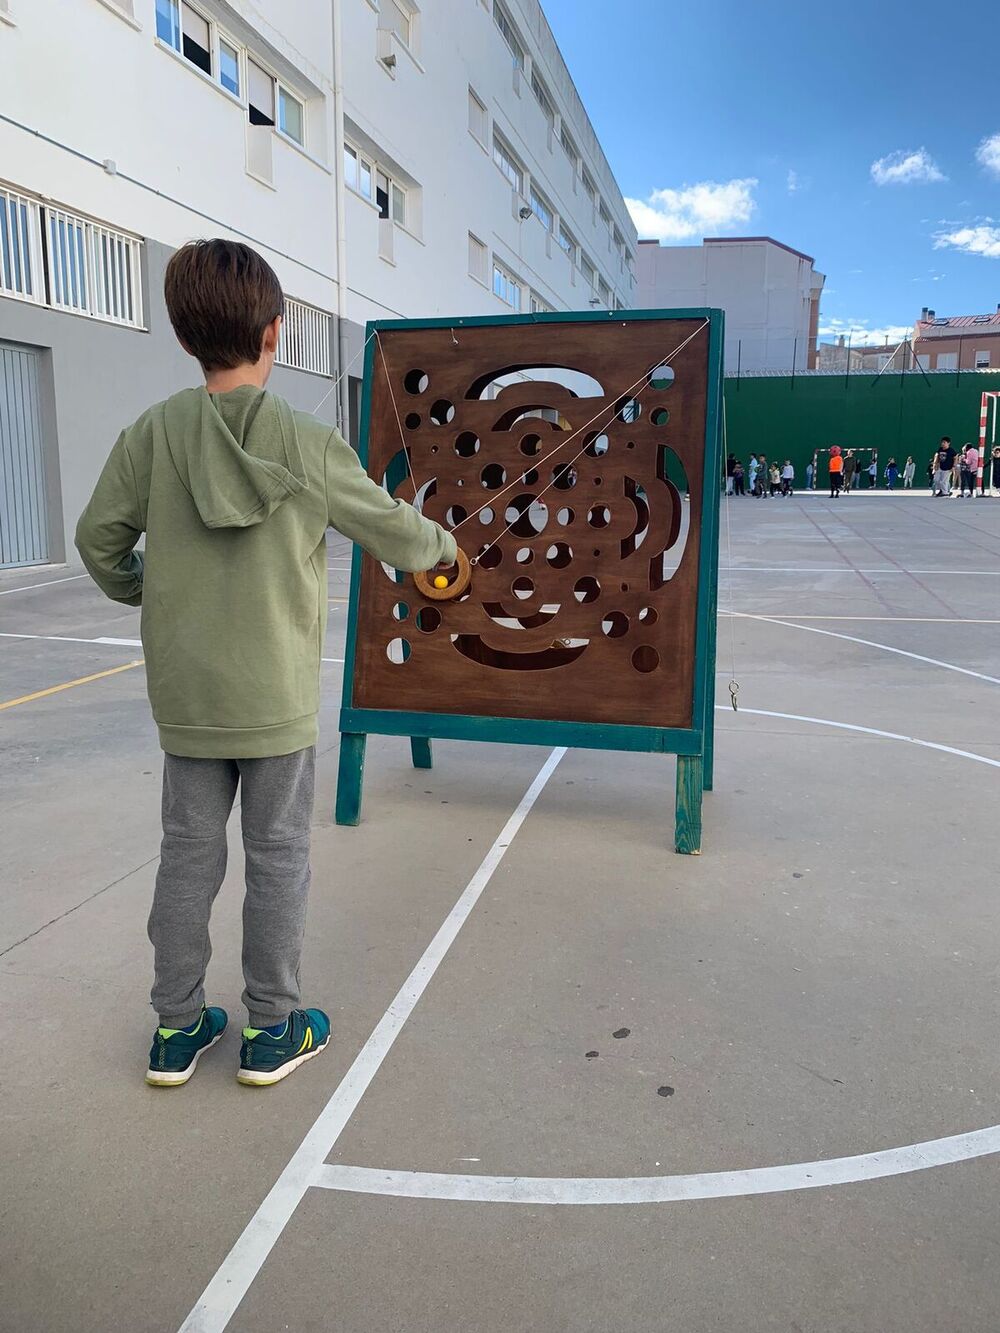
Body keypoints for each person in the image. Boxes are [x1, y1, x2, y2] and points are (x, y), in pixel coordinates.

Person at [75, 239, 455, 1089]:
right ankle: (272, 1029)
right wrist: (443, 549)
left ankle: (176, 1029)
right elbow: (391, 527)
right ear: (275, 331)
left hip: (188, 696)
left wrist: (148, 590)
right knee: (278, 856)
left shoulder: (152, 434)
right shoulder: (308, 440)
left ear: (183, 337)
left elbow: (97, 539)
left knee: (186, 852)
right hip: (275, 699)